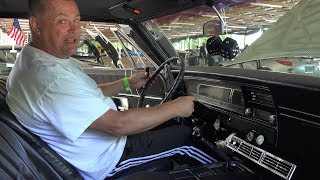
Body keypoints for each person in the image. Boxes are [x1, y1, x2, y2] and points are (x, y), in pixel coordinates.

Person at [6, 0, 215, 179]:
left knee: (167, 121)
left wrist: (127, 83)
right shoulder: (49, 78)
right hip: (108, 160)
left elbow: (86, 93)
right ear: (36, 25)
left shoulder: (38, 58)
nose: (75, 29)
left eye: (76, 20)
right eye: (62, 21)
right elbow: (117, 125)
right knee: (188, 138)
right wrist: (178, 107)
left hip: (105, 145)